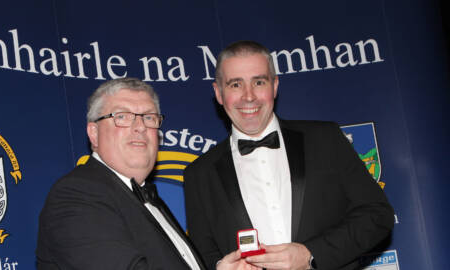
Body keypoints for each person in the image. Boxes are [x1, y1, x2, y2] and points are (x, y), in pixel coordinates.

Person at [184, 41, 395, 270]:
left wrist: (311, 254)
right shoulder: (200, 174)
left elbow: (377, 215)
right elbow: (202, 255)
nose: (249, 96)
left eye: (259, 82)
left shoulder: (325, 139)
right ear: (219, 93)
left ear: (274, 86)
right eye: (235, 84)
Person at [36, 78, 251, 270]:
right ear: (94, 133)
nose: (140, 127)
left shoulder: (151, 200)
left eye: (149, 118)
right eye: (122, 116)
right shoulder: (76, 195)